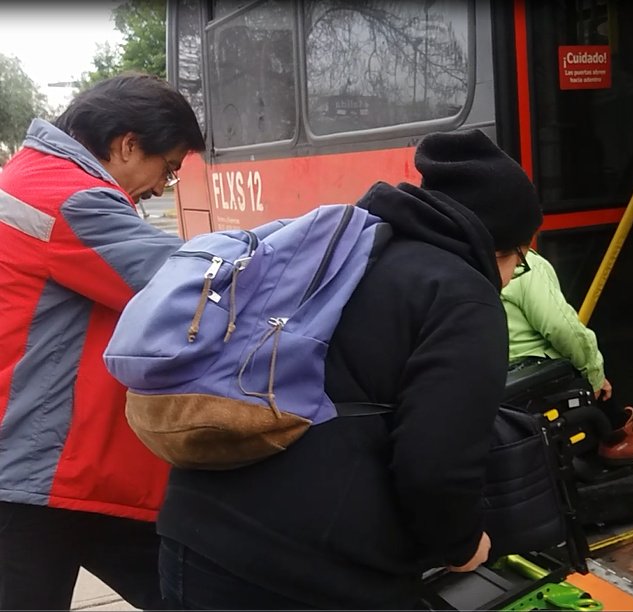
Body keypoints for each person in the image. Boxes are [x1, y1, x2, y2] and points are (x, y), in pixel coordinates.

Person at [156, 129, 544, 610]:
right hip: (303, 573)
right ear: (500, 244)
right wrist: (462, 545)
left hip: (194, 532)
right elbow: (436, 467)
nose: (511, 278)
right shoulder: (463, 296)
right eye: (521, 260)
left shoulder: (347, 248)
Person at [0, 74, 204, 610]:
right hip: (33, 474)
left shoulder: (30, 176)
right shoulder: (69, 197)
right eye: (170, 167)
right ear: (127, 144)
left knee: (188, 590)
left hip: (64, 466)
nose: (163, 188)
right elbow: (188, 285)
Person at [502, 249, 633, 465]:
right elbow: (562, 328)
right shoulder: (523, 263)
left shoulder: (467, 263)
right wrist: (594, 373)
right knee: (588, 368)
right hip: (538, 378)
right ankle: (620, 438)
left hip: (499, 383)